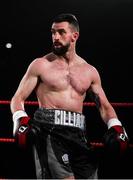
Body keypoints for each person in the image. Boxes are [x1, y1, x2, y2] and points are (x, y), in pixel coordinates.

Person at [10, 13, 128, 179]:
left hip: (79, 136)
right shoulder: (40, 65)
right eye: (53, 32)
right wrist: (20, 118)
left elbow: (104, 106)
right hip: (50, 132)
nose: (55, 37)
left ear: (74, 36)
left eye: (61, 32)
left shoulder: (89, 71)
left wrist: (115, 125)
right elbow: (17, 98)